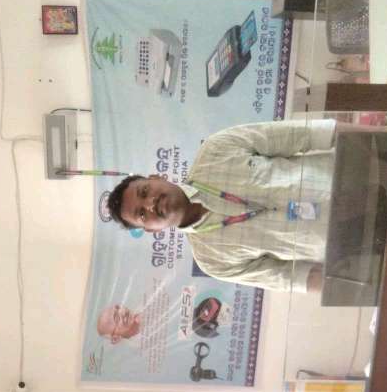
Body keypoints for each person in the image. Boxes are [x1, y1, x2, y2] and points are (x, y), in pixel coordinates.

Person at [106, 119, 337, 292]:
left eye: (144, 192)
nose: (150, 203)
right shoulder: (212, 261)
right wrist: (352, 282)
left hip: (346, 174)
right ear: (151, 230)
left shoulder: (216, 149)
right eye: (142, 214)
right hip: (344, 243)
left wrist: (363, 140)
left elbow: (311, 134)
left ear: (156, 177)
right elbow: (293, 278)